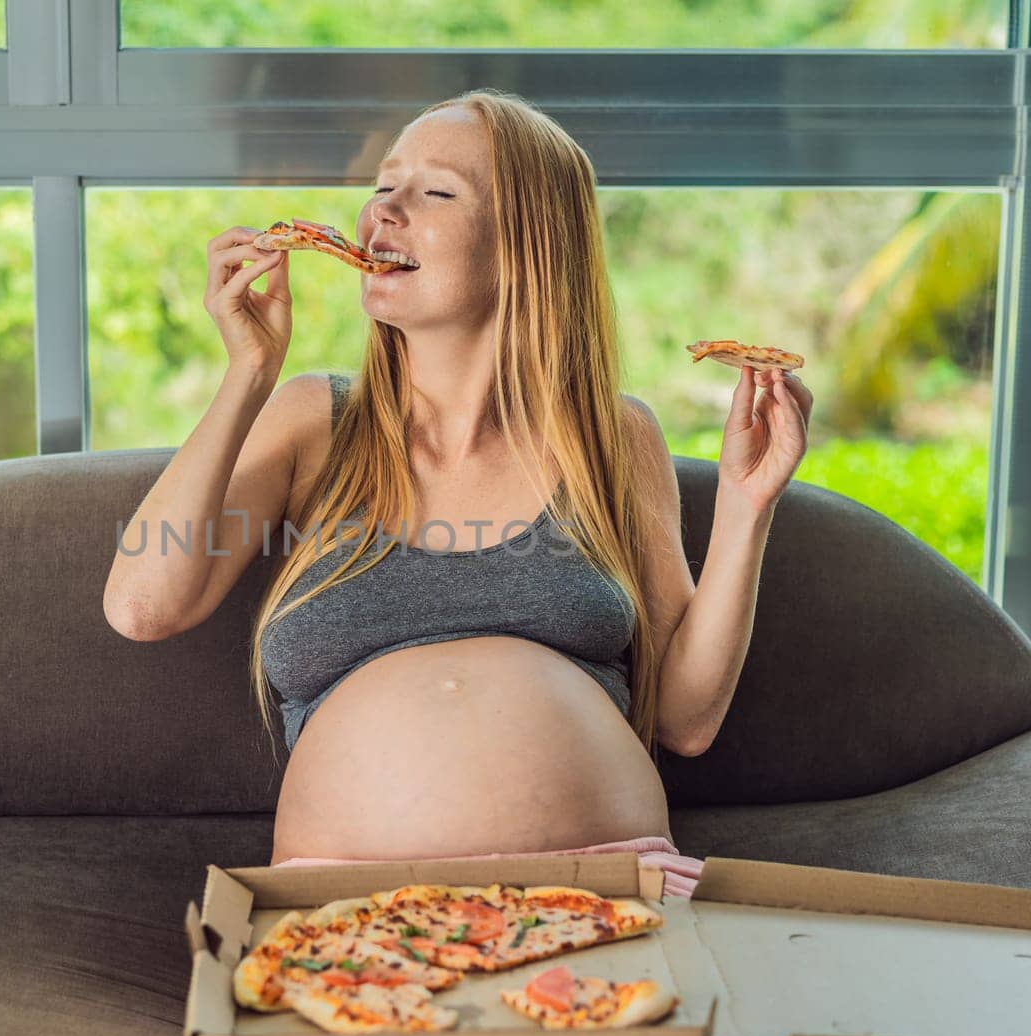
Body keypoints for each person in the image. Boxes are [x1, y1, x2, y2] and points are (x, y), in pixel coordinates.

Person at [104, 89, 812, 900]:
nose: (383, 213)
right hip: (347, 907)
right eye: (382, 186)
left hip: (609, 891)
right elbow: (142, 605)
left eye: (435, 192)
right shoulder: (313, 420)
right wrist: (248, 374)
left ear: (526, 246)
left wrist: (747, 504)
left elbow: (687, 720)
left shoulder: (612, 437)